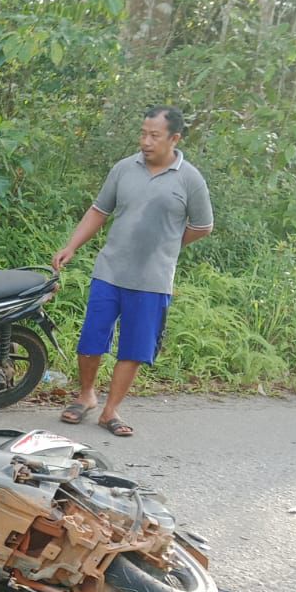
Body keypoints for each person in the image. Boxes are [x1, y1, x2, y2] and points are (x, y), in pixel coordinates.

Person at [51, 105, 213, 438]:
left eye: (154, 135)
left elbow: (202, 226)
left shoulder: (190, 179)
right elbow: (99, 211)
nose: (146, 141)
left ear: (175, 138)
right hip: (109, 271)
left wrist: (168, 246)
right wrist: (72, 246)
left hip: (152, 280)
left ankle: (111, 411)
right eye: (143, 133)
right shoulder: (125, 168)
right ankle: (86, 395)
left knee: (134, 348)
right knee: (91, 340)